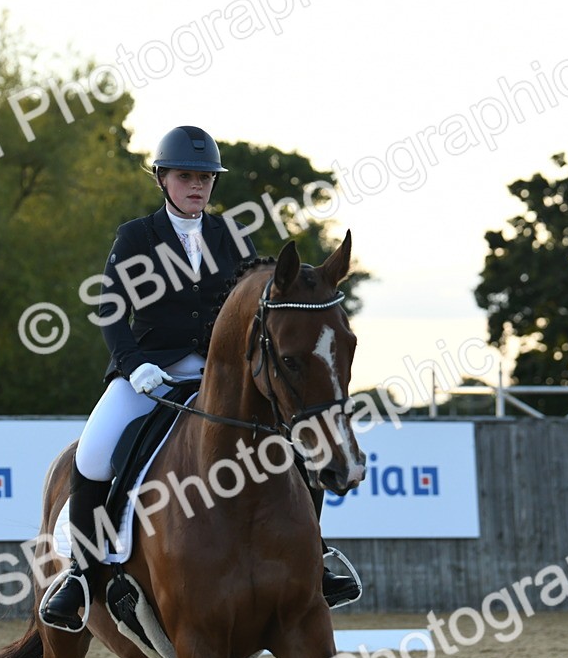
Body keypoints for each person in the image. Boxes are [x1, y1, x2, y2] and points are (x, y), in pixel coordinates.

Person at [40, 125, 359, 632]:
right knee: (94, 452)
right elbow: (109, 311)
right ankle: (79, 575)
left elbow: (256, 308)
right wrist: (132, 366)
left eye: (206, 178)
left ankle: (314, 554)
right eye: (186, 177)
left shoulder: (231, 236)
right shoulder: (136, 236)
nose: (197, 186)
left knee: (295, 444)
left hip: (221, 374)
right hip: (149, 371)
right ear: (164, 180)